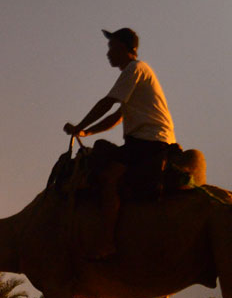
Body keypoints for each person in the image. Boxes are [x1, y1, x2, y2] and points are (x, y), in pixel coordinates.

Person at [63, 27, 177, 257]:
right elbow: (115, 118)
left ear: (125, 48)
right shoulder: (138, 74)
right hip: (149, 141)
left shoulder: (135, 69)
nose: (108, 53)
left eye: (112, 47)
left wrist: (79, 126)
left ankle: (107, 242)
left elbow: (108, 103)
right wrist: (85, 133)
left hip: (149, 141)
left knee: (108, 177)